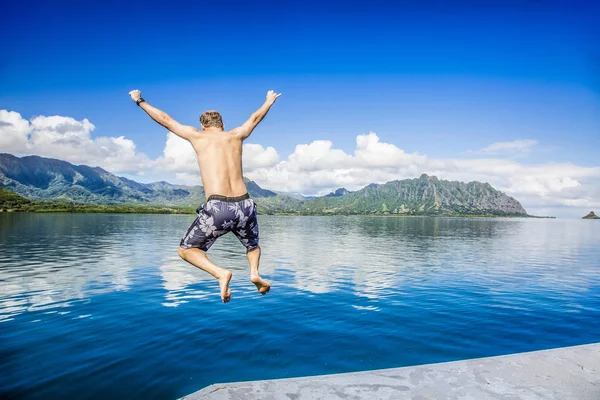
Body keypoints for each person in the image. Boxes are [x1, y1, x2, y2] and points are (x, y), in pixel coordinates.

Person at [129, 89, 281, 303]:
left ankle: (220, 273)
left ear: (203, 126)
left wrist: (139, 101)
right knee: (253, 245)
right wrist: (268, 101)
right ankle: (254, 272)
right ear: (222, 125)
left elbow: (165, 119)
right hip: (245, 205)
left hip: (218, 207)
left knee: (186, 250)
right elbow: (255, 118)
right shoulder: (236, 135)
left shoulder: (197, 136)